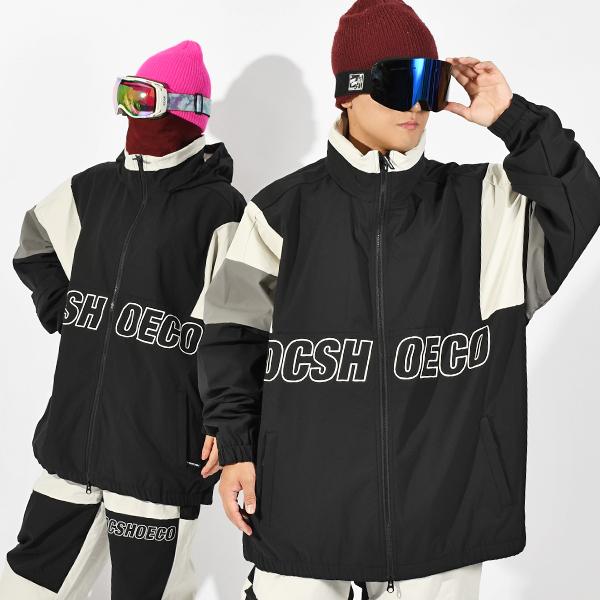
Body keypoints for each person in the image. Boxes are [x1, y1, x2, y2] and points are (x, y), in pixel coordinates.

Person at [196, 0, 600, 599]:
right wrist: (235, 448)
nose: (416, 106)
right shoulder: (282, 213)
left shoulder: (485, 207)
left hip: (443, 524)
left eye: (429, 85)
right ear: (348, 91)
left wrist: (512, 118)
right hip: (304, 516)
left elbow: (579, 204)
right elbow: (231, 337)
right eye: (397, 82)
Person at [1, 40, 243, 599]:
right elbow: (35, 240)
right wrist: (63, 308)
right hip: (72, 448)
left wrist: (226, 424)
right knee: (24, 587)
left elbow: (240, 331)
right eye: (127, 96)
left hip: (156, 455)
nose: (133, 112)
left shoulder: (221, 211)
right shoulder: (92, 189)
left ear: (185, 110)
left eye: (145, 98)